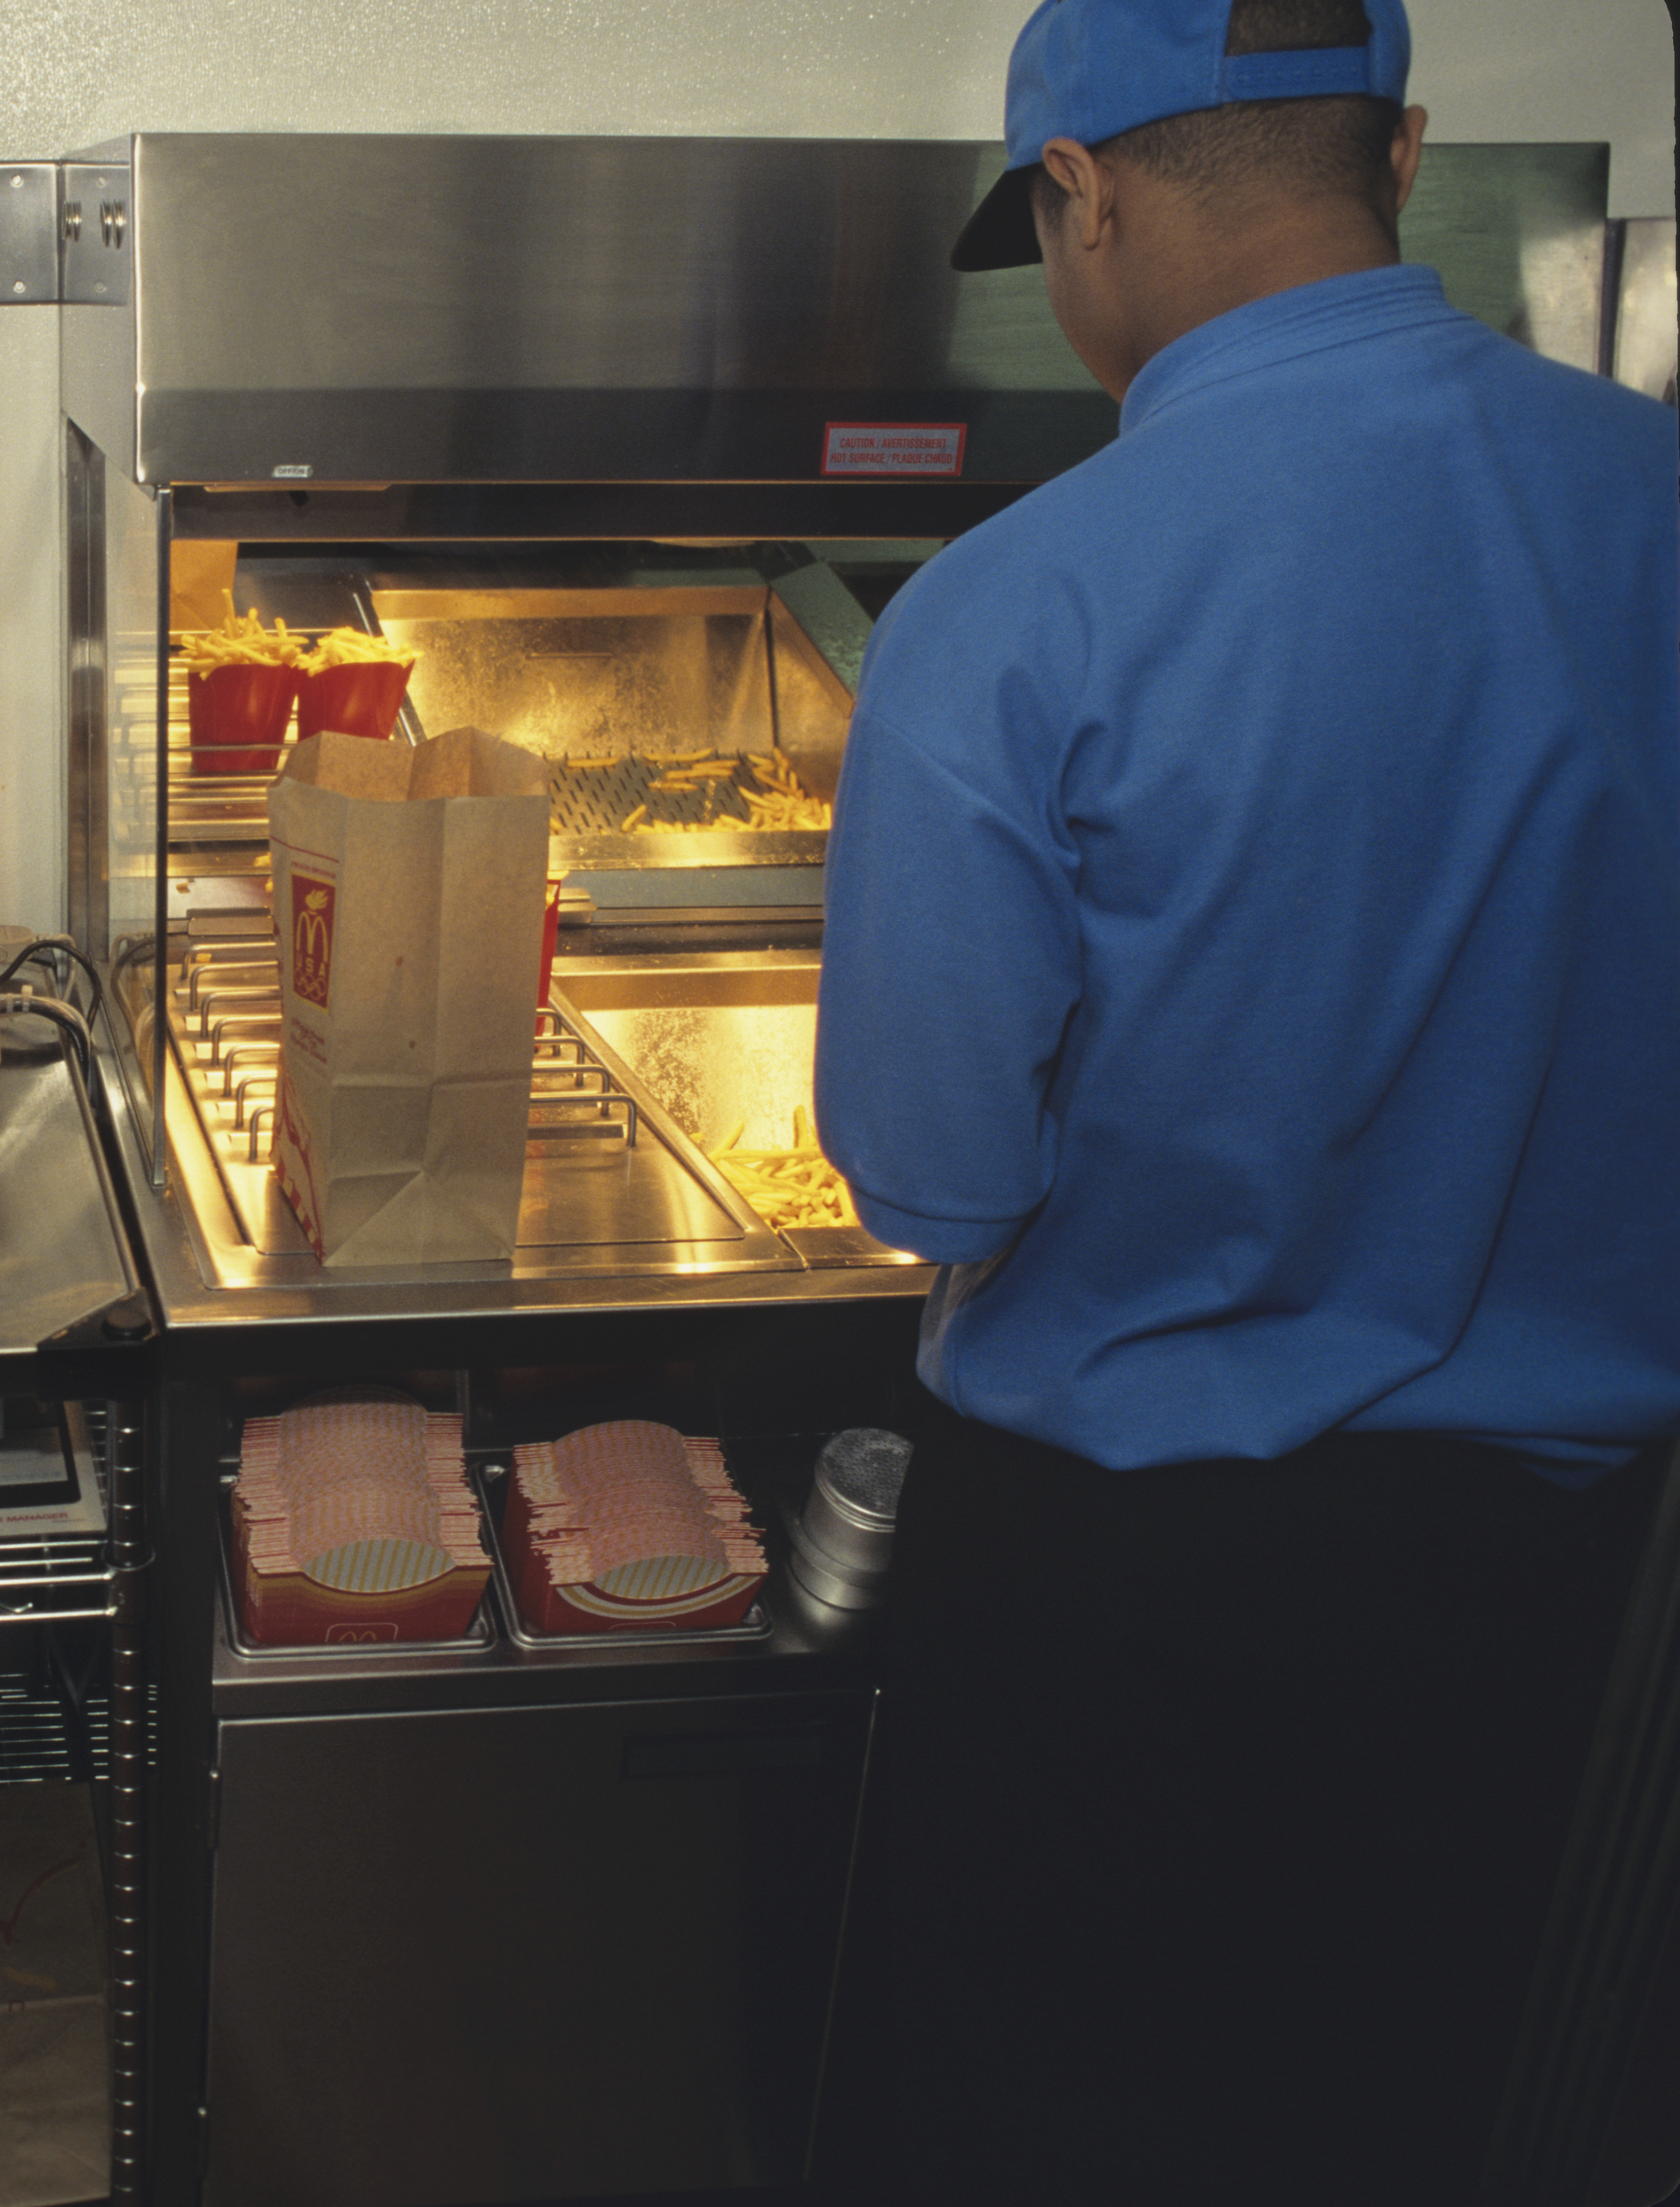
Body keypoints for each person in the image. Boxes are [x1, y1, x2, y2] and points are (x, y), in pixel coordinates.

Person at [810, 0, 1679, 2197]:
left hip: (1138, 1599)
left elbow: (933, 1173)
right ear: (1399, 147)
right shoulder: (1656, 504)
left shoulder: (1014, 613)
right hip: (1566, 1594)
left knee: (1066, 2134)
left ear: (1078, 193)